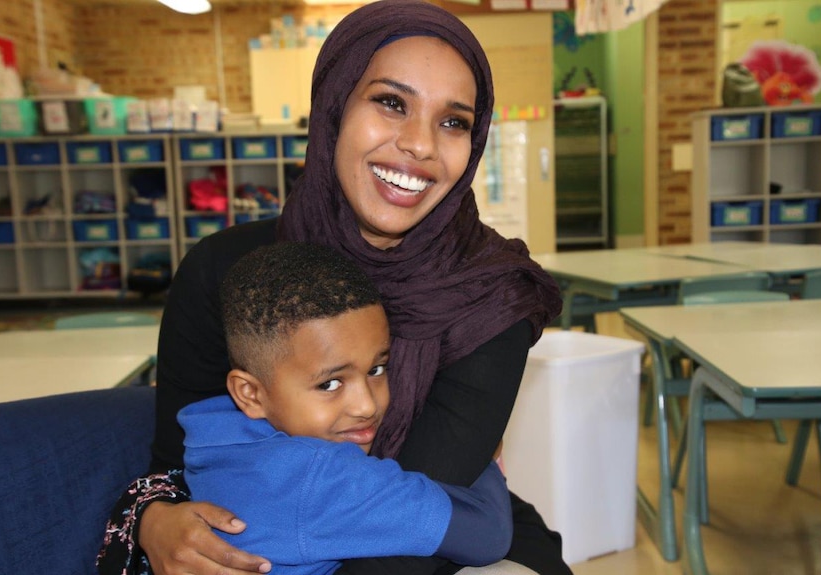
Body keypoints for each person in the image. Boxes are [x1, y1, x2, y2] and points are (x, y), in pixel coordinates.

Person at [97, 0, 569, 574]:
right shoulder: (228, 273)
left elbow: (407, 540)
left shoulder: (489, 296)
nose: (420, 145)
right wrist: (155, 519)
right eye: (391, 103)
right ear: (333, 110)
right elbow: (176, 465)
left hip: (445, 542)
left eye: (453, 121)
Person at [179, 241, 512, 574]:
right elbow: (487, 534)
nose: (367, 405)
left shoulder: (214, 437)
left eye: (377, 370)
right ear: (249, 394)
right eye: (329, 384)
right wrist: (487, 454)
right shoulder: (320, 480)